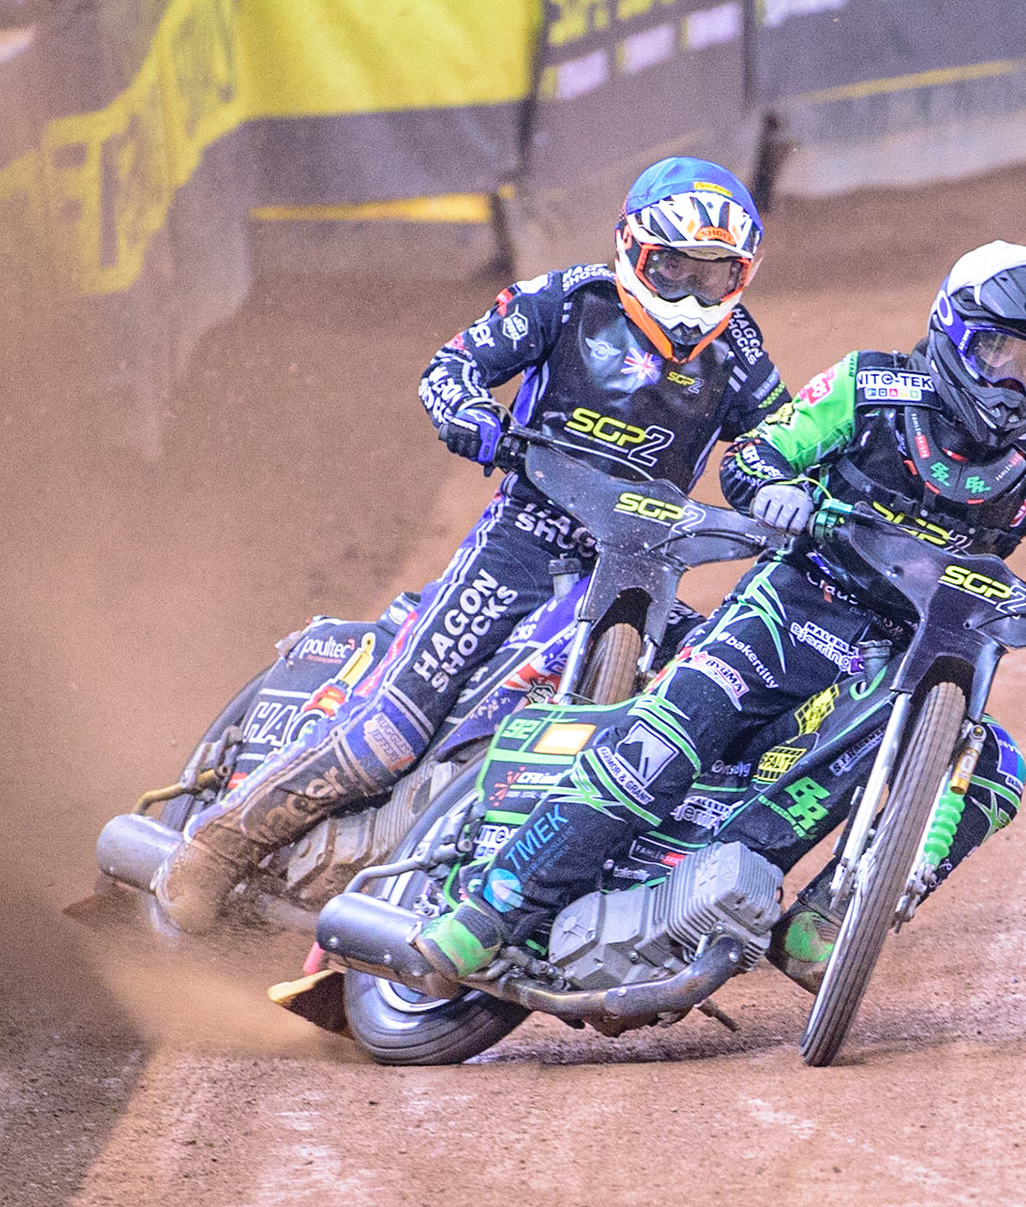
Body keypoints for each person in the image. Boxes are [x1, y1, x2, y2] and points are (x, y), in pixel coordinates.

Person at [411, 240, 1026, 992]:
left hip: (902, 655)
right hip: (792, 604)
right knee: (671, 734)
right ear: (951, 331)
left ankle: (829, 918)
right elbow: (756, 454)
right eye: (998, 352)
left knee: (995, 769)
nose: (1013, 383)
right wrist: (773, 488)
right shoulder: (868, 386)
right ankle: (496, 906)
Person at [154, 158, 790, 932]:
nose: (690, 295)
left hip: (640, 567)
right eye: (675, 269)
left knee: (691, 713)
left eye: (713, 275)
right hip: (523, 541)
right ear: (633, 249)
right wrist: (472, 416)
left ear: (741, 276)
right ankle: (217, 847)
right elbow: (452, 365)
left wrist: (784, 491)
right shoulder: (565, 301)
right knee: (393, 731)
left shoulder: (741, 353)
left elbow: (778, 446)